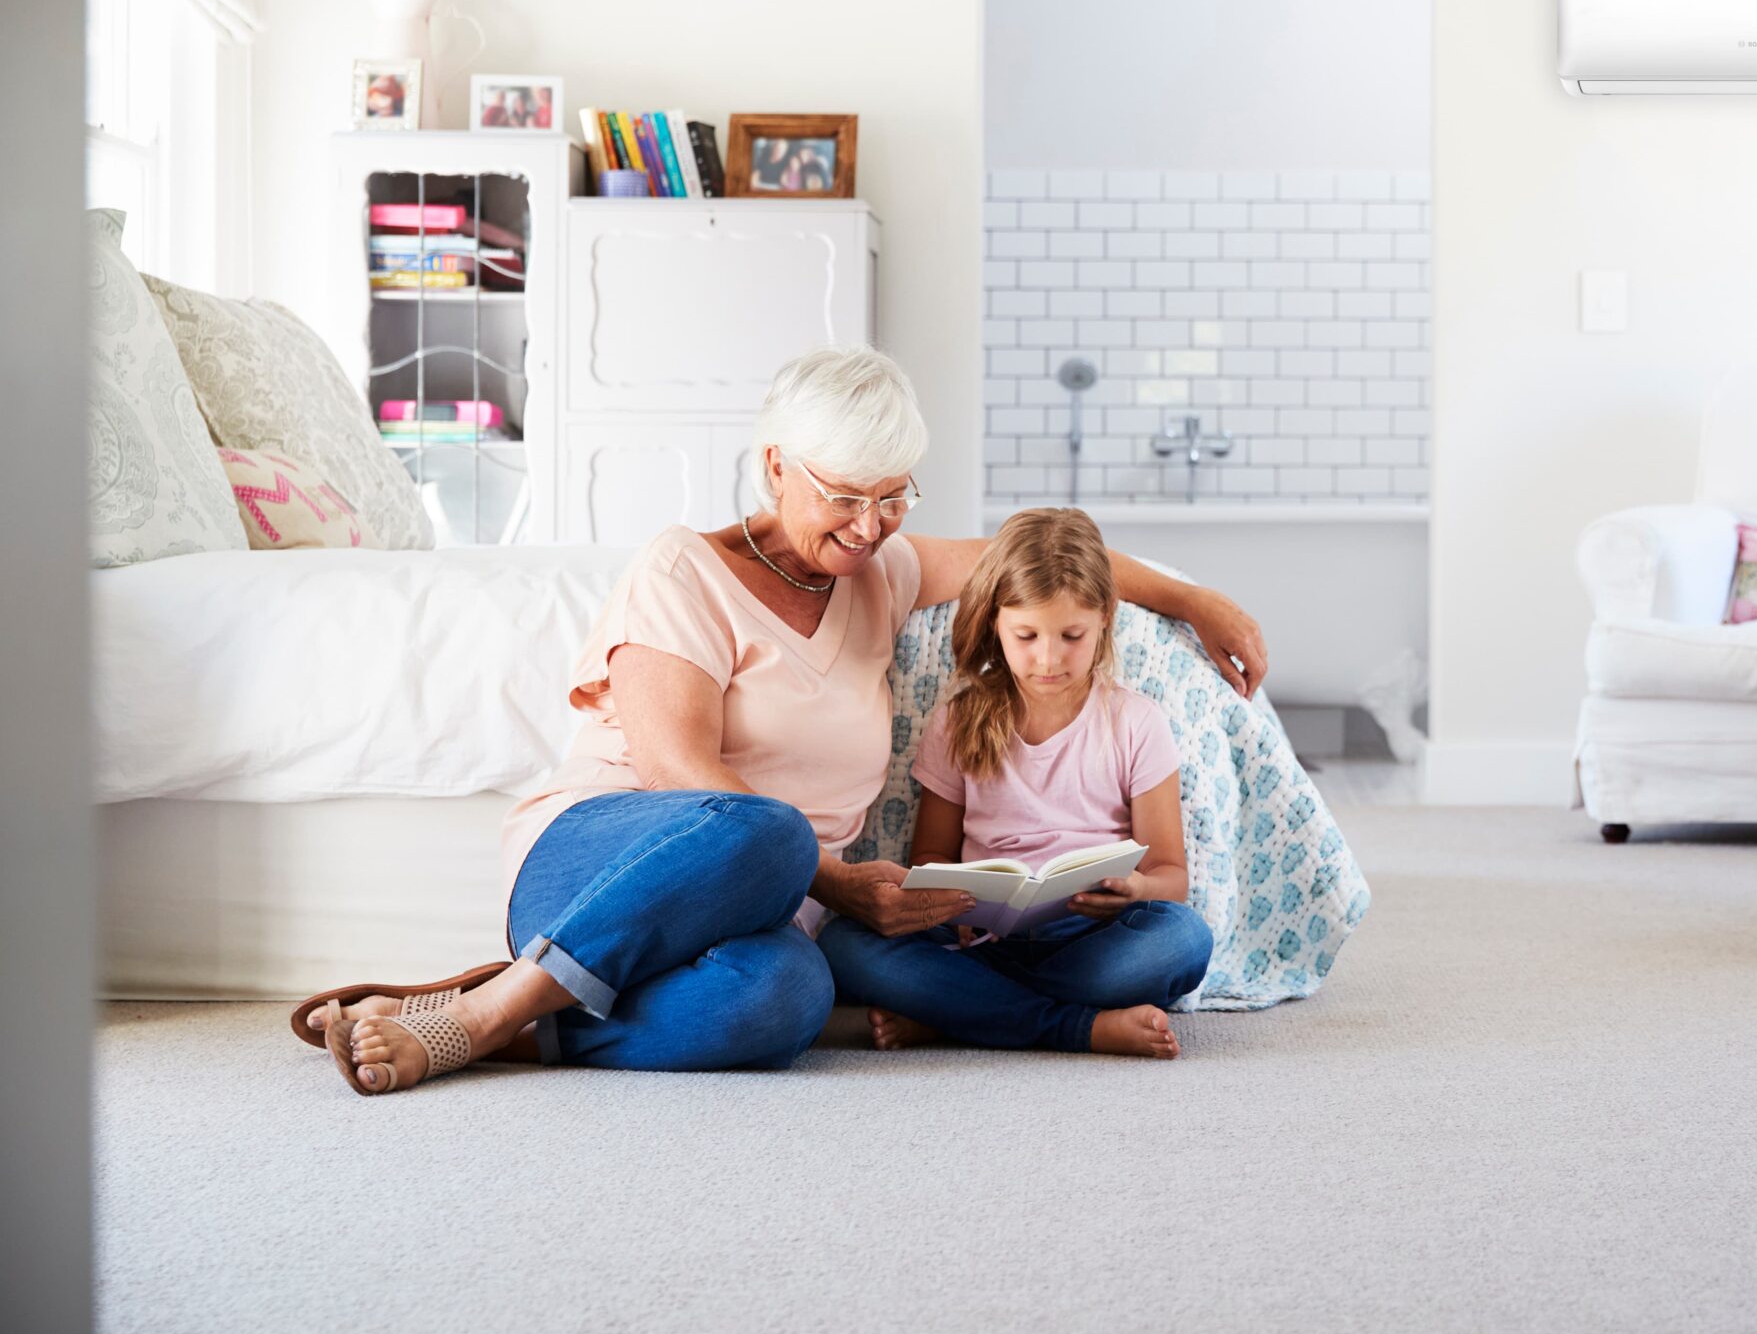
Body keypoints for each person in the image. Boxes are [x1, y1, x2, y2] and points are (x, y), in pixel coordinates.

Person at [293, 345, 1266, 1094]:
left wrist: (1193, 598)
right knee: (764, 827)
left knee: (788, 1002)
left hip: (772, 900)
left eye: (892, 498)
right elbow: (679, 772)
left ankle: (517, 1021)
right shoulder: (684, 569)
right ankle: (494, 1005)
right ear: (775, 468)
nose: (868, 525)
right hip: (602, 854)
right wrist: (839, 884)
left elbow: (1026, 556)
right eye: (843, 496)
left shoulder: (880, 573)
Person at [818, 508, 1212, 1059]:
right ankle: (1075, 1028)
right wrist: (948, 904)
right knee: (843, 944)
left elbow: (1170, 874)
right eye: (1026, 635)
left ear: (1105, 618)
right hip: (979, 940)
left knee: (1183, 941)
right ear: (995, 623)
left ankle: (956, 1015)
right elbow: (931, 853)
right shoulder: (958, 720)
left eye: (1071, 635)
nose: (1048, 659)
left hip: (1087, 940)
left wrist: (1137, 890)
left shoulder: (1135, 723)